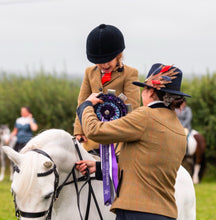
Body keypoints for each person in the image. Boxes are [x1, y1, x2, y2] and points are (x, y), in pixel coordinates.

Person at [76, 63, 191, 220]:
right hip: (166, 213)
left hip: (136, 212)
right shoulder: (178, 129)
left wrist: (86, 106)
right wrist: (100, 167)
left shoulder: (146, 116)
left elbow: (96, 131)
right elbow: (146, 166)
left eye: (144, 89)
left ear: (151, 92)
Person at [73, 24, 140, 152]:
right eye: (99, 61)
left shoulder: (130, 73)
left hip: (117, 137)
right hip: (91, 135)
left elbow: (133, 106)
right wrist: (79, 129)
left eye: (109, 59)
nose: (104, 64)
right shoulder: (89, 72)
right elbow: (82, 102)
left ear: (119, 55)